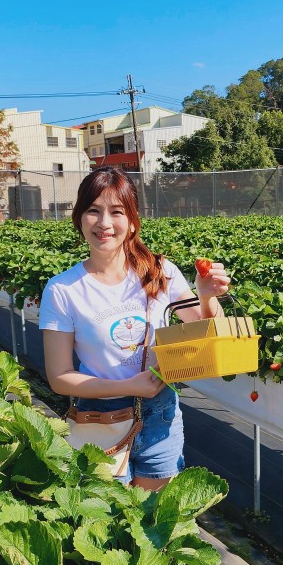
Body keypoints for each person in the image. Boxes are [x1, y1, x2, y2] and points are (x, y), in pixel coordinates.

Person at [39, 166, 230, 490]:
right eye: (93, 211)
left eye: (116, 211)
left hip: (160, 413)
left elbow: (208, 331)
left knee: (154, 522)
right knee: (109, 524)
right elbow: (59, 378)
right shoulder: (63, 289)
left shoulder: (160, 272)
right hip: (99, 416)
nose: (104, 223)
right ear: (79, 219)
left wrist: (207, 295)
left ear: (132, 221)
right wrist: (131, 386)